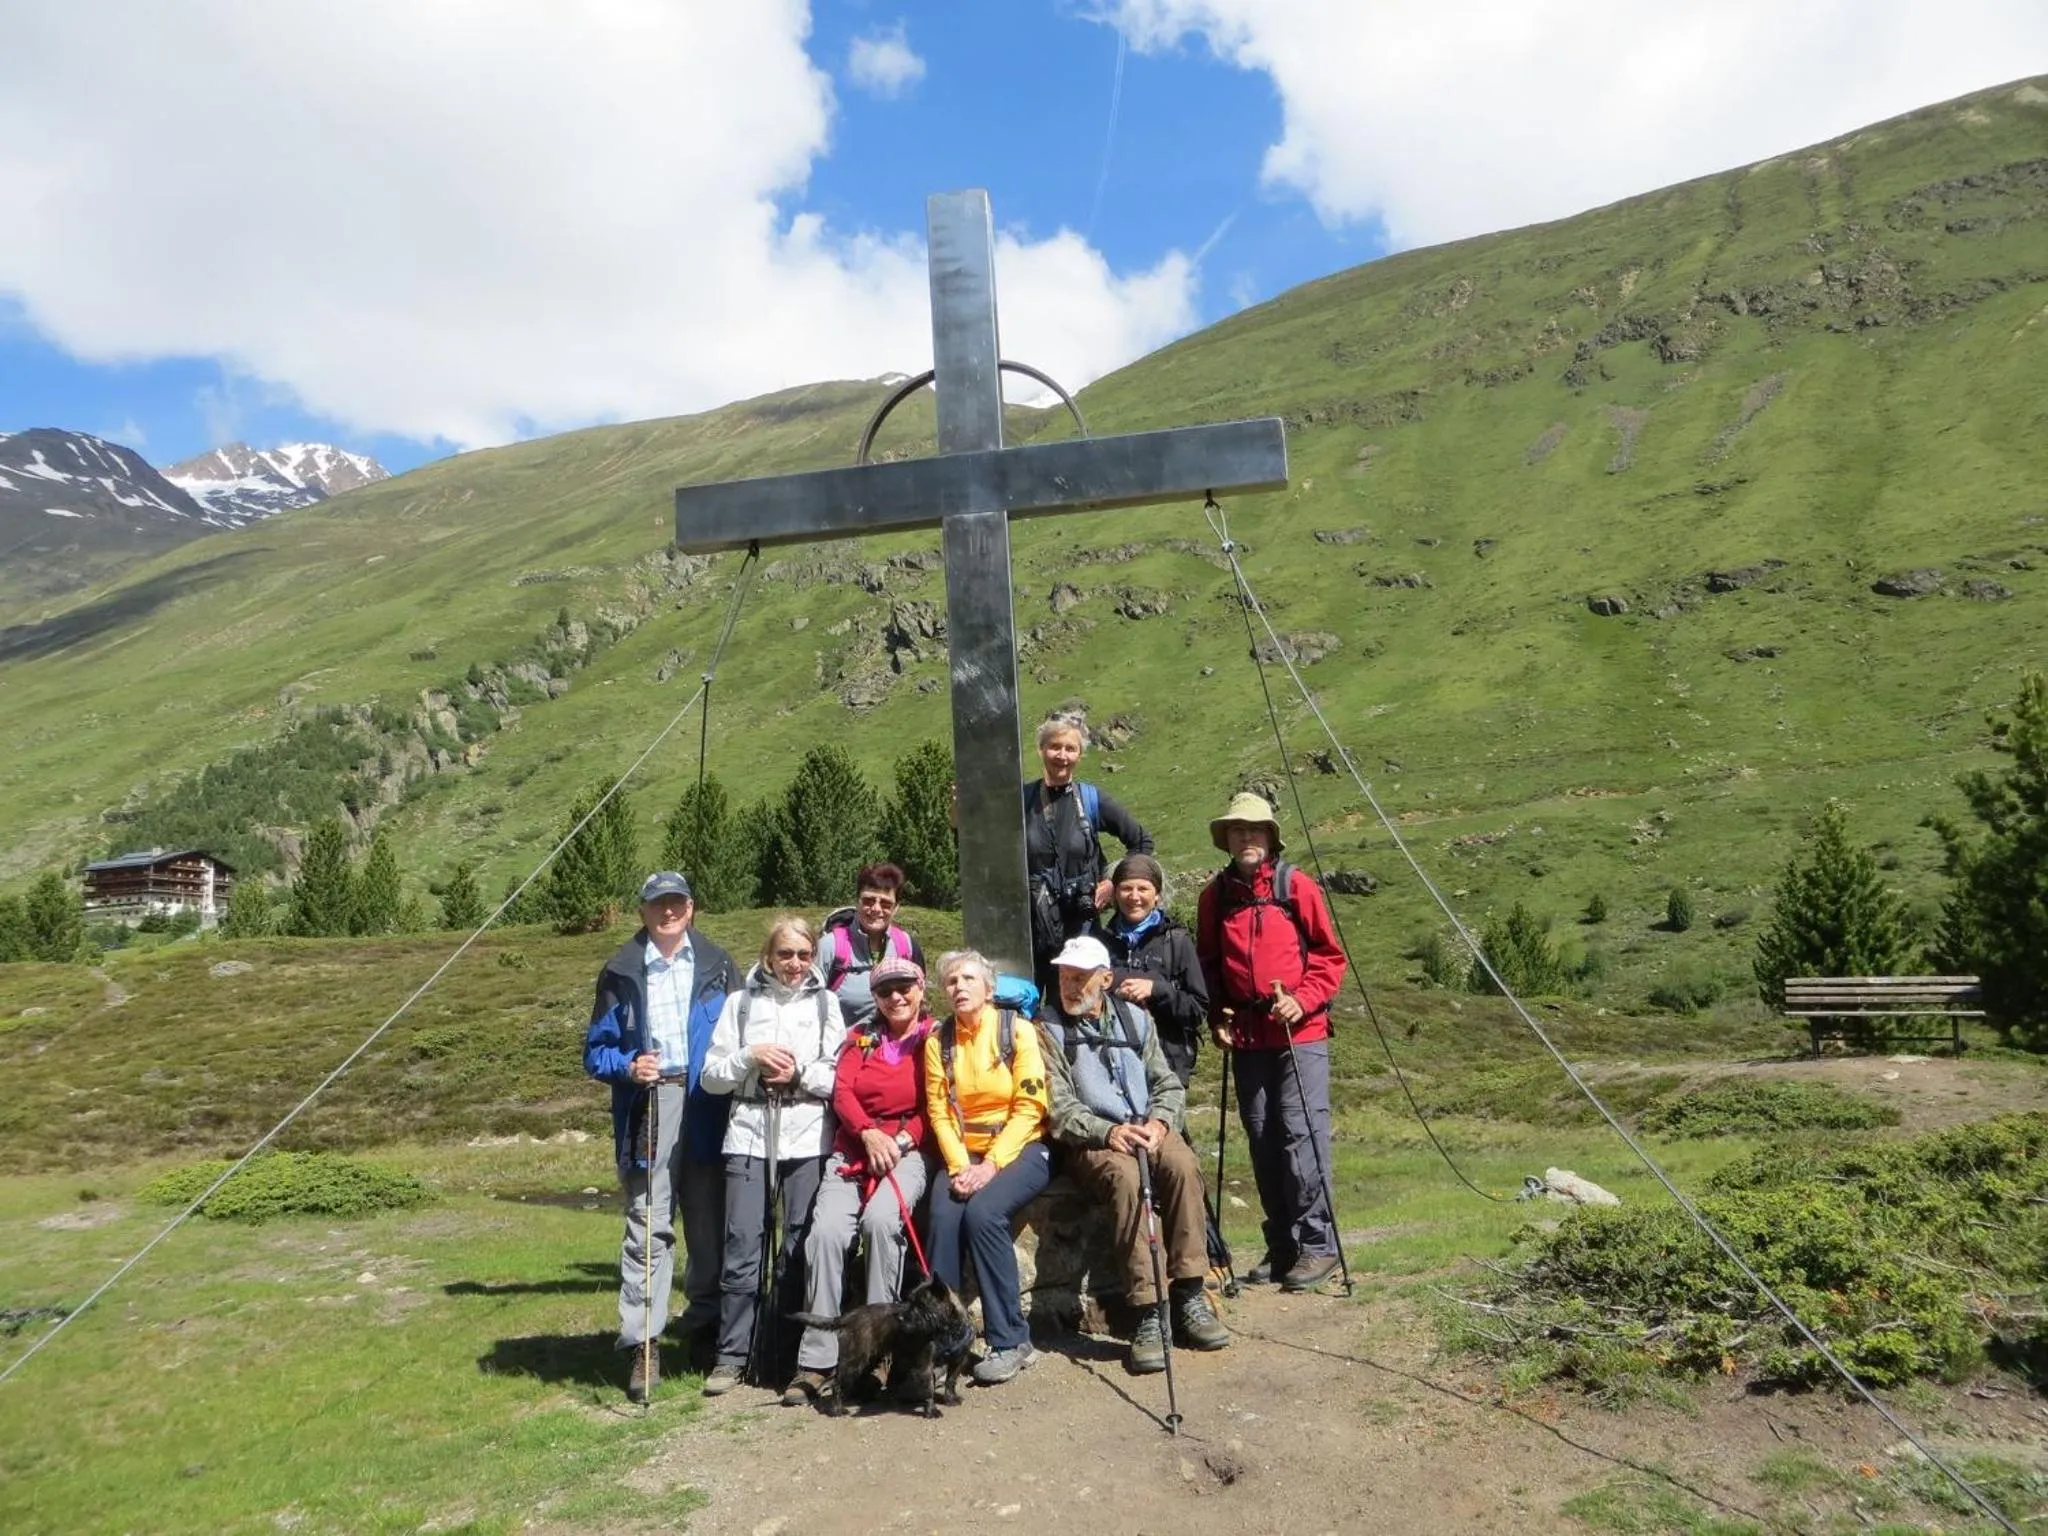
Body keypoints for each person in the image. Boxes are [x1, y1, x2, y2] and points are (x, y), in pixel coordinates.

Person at [581, 871, 740, 1404]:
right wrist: (628, 1065)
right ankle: (644, 1343)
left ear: (691, 908)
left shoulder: (719, 965)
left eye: (676, 902)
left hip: (709, 1099)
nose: (667, 912)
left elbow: (744, 1031)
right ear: (643, 911)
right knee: (648, 1224)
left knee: (709, 1221)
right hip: (649, 1104)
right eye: (657, 904)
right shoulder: (620, 970)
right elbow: (595, 1052)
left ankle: (705, 1327)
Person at [1039, 936, 1230, 1374]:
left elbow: (1167, 1083)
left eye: (1081, 977)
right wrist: (1108, 1132)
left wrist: (1160, 1123)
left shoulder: (1137, 1020)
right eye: (1065, 976)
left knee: (1183, 1166)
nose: (1070, 986)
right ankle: (1148, 1311)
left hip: (1148, 1127)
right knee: (1127, 1181)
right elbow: (1059, 1107)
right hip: (1092, 1140)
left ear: (1105, 979)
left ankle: (1189, 1293)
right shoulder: (1048, 1029)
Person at [1195, 794, 1349, 1294]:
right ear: (1227, 840)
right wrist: (1218, 1016)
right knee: (1262, 1139)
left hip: (1300, 1033)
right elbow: (1208, 965)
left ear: (1270, 838)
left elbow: (1329, 955)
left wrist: (1302, 1000)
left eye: (1255, 830)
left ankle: (1318, 1244)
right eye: (1238, 831)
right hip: (1247, 1035)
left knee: (1301, 1134)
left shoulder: (1295, 885)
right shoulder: (1215, 897)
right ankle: (1283, 1245)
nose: (1247, 838)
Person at [698, 915, 847, 1394]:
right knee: (743, 1244)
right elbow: (711, 1077)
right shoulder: (740, 1004)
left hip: (807, 1138)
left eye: (804, 954)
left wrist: (798, 1073)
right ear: (768, 956)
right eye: (785, 954)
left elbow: (838, 1077)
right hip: (748, 1135)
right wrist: (751, 1056)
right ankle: (731, 1357)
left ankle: (783, 1354)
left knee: (798, 1246)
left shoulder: (827, 1004)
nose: (795, 964)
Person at [785, 953, 936, 1407]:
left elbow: (936, 1102)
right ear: (874, 996)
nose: (896, 997)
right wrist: (867, 1133)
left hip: (907, 1149)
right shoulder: (859, 1038)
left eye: (904, 987)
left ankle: (877, 1353)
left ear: (921, 989)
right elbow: (843, 1091)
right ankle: (816, 1361)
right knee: (826, 1233)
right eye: (885, 990)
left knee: (882, 1222)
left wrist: (901, 1141)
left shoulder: (934, 1039)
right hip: (854, 1150)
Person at [922, 948, 1053, 1386]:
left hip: (1022, 1148)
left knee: (983, 1213)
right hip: (965, 1154)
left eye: (968, 979)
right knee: (942, 1216)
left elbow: (1031, 1105)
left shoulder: (1017, 1031)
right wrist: (961, 1165)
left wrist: (991, 1165)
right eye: (951, 981)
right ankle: (944, 1343)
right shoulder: (938, 1042)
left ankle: (1011, 1340)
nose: (958, 987)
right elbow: (939, 1112)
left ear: (989, 988)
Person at [1023, 714, 1152, 982]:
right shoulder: (1022, 800)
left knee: (1077, 1002)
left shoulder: (1091, 799)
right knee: (1025, 1004)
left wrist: (1113, 882)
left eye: (1070, 748)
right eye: (1054, 747)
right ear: (1041, 750)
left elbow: (1141, 841)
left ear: (1080, 755)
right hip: (1030, 932)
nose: (1062, 755)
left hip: (1081, 931)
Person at [1092, 852, 1210, 1087]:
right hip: (1113, 1065)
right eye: (1126, 888)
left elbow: (1197, 1010)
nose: (1134, 897)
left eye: (1143, 889)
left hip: (1167, 1066)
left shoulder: (1176, 941)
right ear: (1115, 894)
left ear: (1157, 895)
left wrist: (1156, 990)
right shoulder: (1100, 943)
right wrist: (1113, 989)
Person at [817, 862, 927, 1024]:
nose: (876, 909)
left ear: (896, 907)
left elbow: (920, 1003)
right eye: (868, 900)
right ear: (857, 901)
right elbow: (806, 1005)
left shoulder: (907, 946)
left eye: (885, 903)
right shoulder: (829, 947)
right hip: (843, 1040)